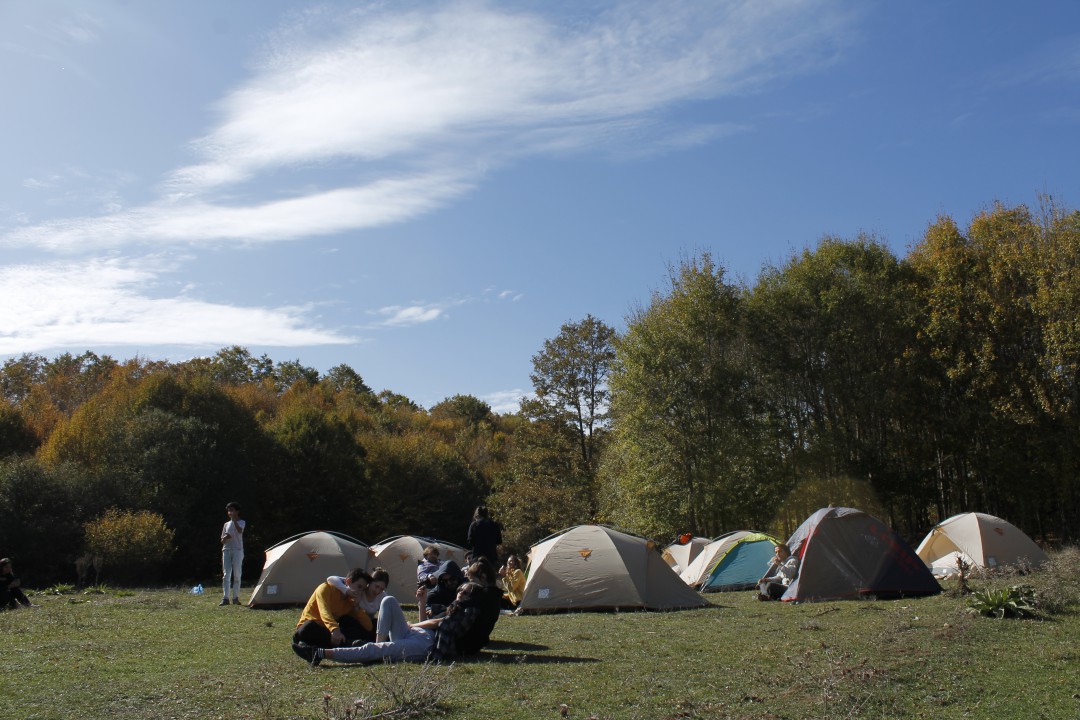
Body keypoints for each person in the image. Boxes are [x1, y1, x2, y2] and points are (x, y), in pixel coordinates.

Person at [295, 572, 500, 666]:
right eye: (460, 591)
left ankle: (319, 653)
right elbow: (431, 621)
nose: (459, 594)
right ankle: (378, 647)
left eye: (464, 593)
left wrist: (414, 624)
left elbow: (439, 624)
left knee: (371, 647)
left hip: (425, 644)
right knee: (390, 601)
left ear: (471, 598)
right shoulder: (453, 608)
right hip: (416, 633)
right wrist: (421, 603)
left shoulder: (468, 612)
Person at [292, 569, 374, 653]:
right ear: (348, 581)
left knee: (350, 622)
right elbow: (324, 612)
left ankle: (313, 649)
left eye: (363, 589)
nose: (359, 592)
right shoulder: (326, 588)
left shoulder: (350, 601)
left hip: (329, 633)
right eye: (359, 587)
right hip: (313, 628)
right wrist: (335, 630)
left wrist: (356, 607)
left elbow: (368, 627)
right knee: (308, 627)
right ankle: (346, 644)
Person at [219, 501, 245, 606]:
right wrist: (225, 538)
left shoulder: (242, 522)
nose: (230, 512)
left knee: (237, 574)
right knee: (226, 574)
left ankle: (235, 597)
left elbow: (239, 531)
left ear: (237, 511)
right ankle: (225, 598)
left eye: (232, 510)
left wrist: (234, 520)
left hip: (237, 550)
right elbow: (222, 540)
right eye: (229, 510)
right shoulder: (226, 524)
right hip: (226, 549)